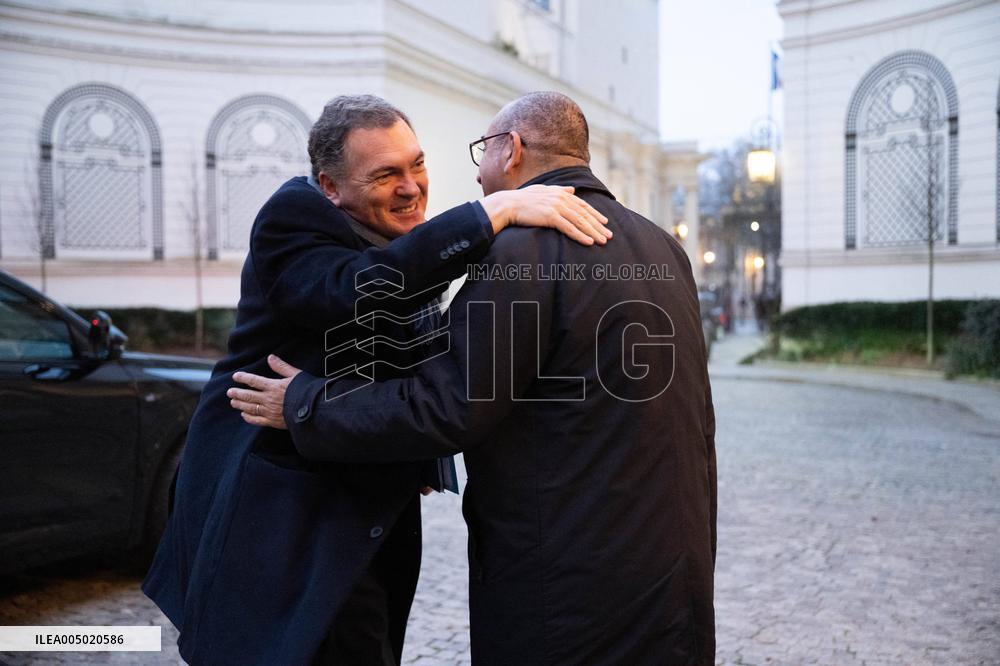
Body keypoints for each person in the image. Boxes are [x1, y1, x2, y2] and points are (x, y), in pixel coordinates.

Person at [231, 92, 717, 664]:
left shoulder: (523, 249)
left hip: (567, 582)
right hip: (671, 569)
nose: (476, 173)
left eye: (481, 151)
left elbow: (448, 406)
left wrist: (307, 403)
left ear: (510, 150)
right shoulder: (663, 246)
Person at [142, 94, 610, 665]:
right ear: (330, 186)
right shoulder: (292, 215)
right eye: (386, 175)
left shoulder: (396, 233)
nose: (411, 187)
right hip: (281, 508)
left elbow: (411, 337)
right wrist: (493, 211)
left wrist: (421, 457)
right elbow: (358, 290)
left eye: (417, 164)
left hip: (369, 492)